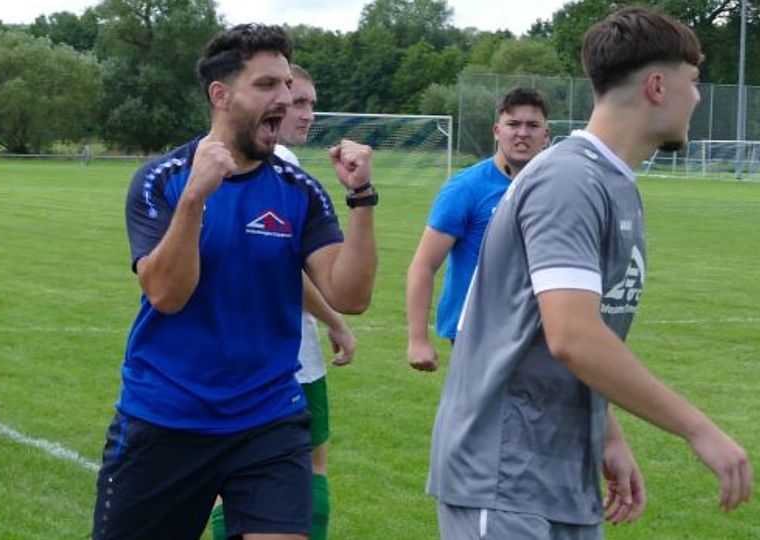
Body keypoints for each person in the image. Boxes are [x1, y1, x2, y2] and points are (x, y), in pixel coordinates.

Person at [428, 7, 752, 539]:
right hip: (503, 476)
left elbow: (556, 330)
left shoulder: (610, 182)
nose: (697, 97)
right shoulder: (569, 181)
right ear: (656, 86)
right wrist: (698, 429)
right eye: (692, 81)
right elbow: (572, 336)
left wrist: (608, 433)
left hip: (559, 477)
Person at [92, 24, 378, 540]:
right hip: (167, 417)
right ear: (220, 95)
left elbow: (350, 296)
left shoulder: (299, 190)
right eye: (266, 85)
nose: (285, 99)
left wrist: (361, 199)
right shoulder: (162, 179)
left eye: (286, 85)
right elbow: (166, 294)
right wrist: (194, 198)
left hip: (268, 420)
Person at [209, 64, 357, 540]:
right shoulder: (280, 163)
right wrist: (335, 319)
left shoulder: (263, 162)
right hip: (282, 356)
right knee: (303, 470)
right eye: (299, 102)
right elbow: (285, 270)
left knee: (242, 477)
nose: (306, 113)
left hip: (271, 350)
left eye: (311, 103)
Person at [406, 88, 549, 371]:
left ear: (546, 134)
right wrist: (417, 340)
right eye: (513, 124)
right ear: (497, 131)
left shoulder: (556, 186)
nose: (522, 133)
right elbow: (423, 264)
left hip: (540, 331)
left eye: (532, 125)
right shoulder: (466, 188)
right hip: (477, 334)